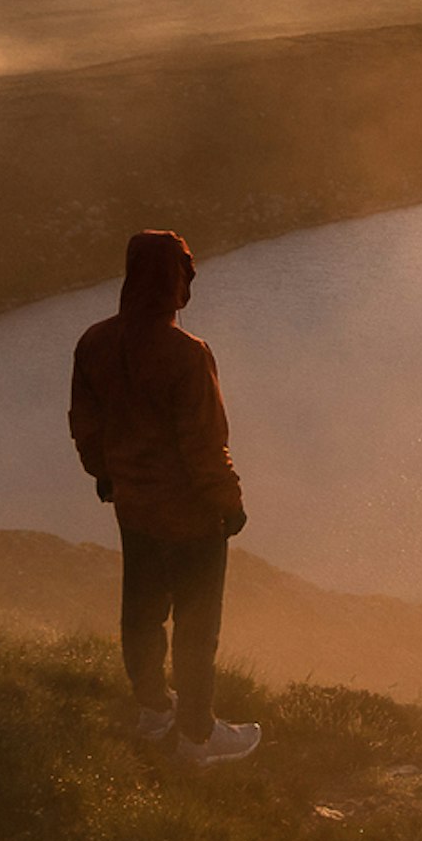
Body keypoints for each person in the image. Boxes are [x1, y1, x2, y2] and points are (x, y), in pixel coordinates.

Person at [68, 229, 262, 765]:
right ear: (179, 281)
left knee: (142, 615)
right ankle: (197, 738)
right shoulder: (188, 355)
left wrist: (105, 476)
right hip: (193, 516)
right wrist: (230, 502)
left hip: (135, 507)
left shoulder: (94, 343)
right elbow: (204, 444)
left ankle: (154, 713)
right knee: (197, 629)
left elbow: (87, 425)